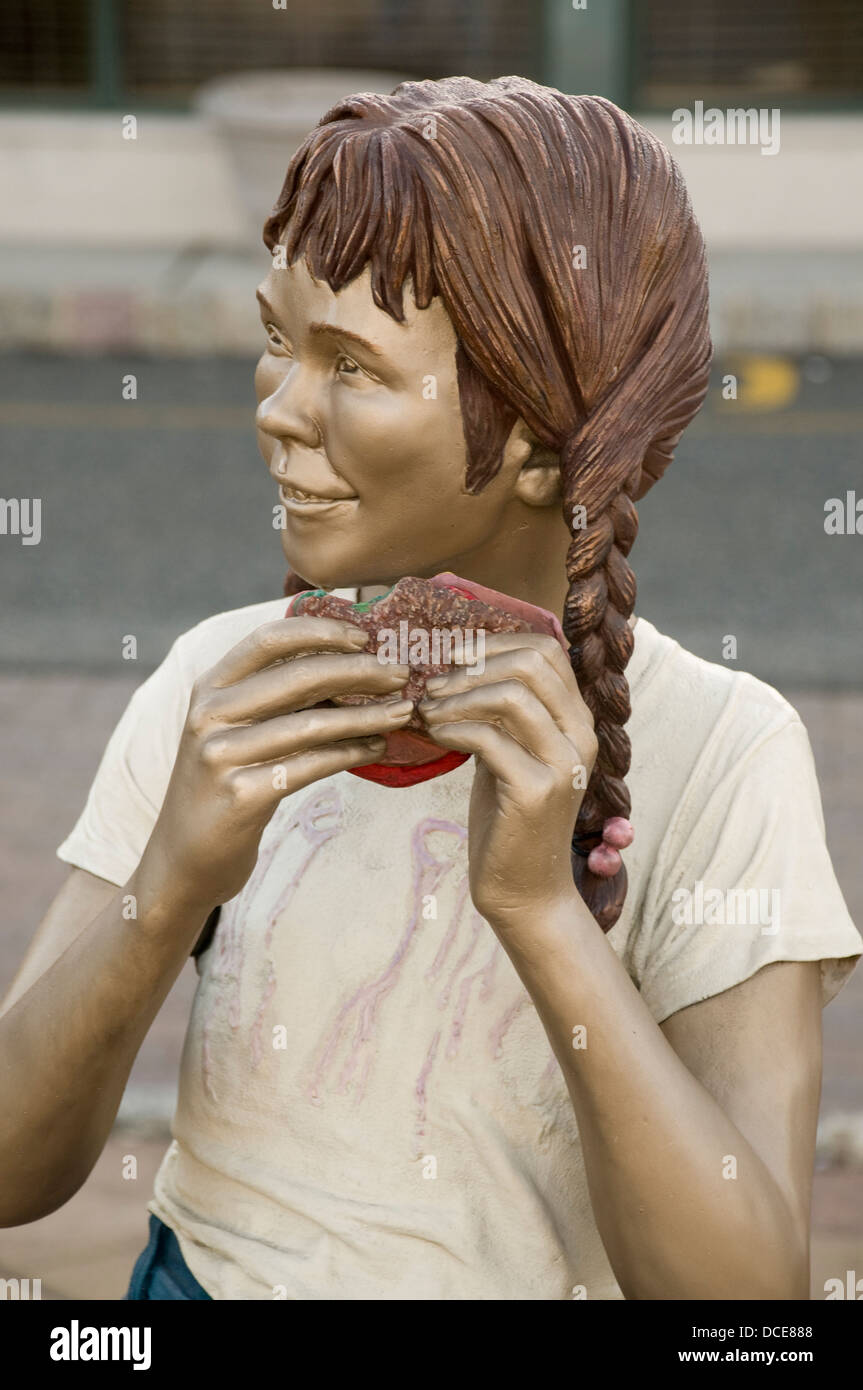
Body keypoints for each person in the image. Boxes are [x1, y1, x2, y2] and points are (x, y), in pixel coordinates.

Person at [1, 77, 860, 1301]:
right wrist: (168, 885)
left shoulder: (723, 748)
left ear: (544, 442)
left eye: (349, 364)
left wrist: (541, 913)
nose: (278, 411)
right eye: (276, 339)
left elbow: (746, 1299)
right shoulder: (215, 684)